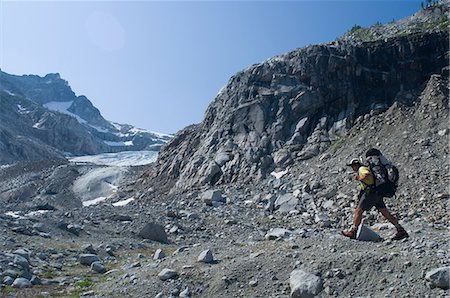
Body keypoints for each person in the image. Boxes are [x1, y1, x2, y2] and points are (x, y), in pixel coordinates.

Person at [341, 158, 409, 240]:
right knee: (385, 212)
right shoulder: (367, 168)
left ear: (356, 165)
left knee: (358, 210)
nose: (352, 168)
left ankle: (353, 231)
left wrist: (358, 178)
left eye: (352, 166)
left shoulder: (362, 169)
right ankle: (400, 229)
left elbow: (367, 175)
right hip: (377, 193)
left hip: (370, 193)